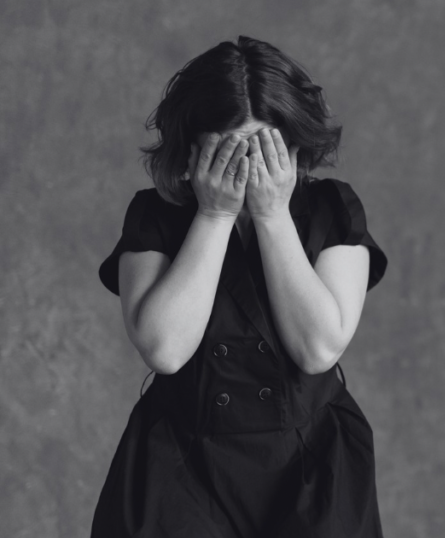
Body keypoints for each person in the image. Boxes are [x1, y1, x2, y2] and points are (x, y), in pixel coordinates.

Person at [91, 35, 388, 538]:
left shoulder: (332, 210)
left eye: (265, 148)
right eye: (229, 151)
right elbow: (164, 350)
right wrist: (215, 214)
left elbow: (318, 349)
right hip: (179, 464)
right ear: (193, 150)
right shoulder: (154, 216)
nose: (249, 168)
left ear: (295, 145)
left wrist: (272, 215)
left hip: (314, 464)